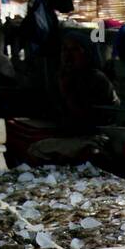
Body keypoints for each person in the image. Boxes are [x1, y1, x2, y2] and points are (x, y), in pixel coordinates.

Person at [27, 31, 119, 164]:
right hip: (72, 137)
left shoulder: (96, 79)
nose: (68, 55)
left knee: (38, 151)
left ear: (87, 53)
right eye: (65, 50)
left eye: (75, 50)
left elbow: (87, 120)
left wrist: (66, 92)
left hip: (95, 138)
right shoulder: (66, 76)